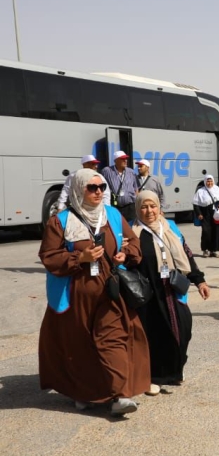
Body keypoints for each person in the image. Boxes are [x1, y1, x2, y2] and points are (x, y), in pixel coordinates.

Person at [38, 168, 149, 416]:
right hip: (75, 293)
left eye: (102, 187)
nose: (98, 192)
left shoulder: (112, 215)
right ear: (79, 189)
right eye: (92, 188)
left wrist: (125, 254)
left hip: (110, 290)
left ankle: (121, 394)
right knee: (80, 344)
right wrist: (80, 258)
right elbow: (49, 256)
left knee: (114, 338)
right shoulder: (60, 221)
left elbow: (133, 242)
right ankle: (85, 393)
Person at [132, 191, 210, 390]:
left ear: (159, 207)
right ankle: (154, 377)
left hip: (172, 289)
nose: (149, 211)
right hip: (148, 293)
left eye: (153, 206)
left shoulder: (170, 227)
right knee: (154, 333)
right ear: (138, 209)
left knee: (182, 330)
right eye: (144, 207)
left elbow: (187, 253)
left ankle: (175, 371)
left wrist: (199, 281)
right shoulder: (132, 232)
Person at [192, 175, 219, 258]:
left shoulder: (217, 189)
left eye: (211, 181)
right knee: (206, 232)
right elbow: (196, 204)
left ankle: (214, 250)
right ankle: (205, 250)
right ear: (205, 182)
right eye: (208, 181)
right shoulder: (200, 191)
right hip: (206, 214)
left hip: (217, 213)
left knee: (217, 232)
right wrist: (199, 214)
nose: (210, 183)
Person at [101, 150, 140, 222]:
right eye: (122, 159)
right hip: (115, 206)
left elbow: (136, 189)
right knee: (116, 225)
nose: (125, 161)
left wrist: (136, 203)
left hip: (130, 207)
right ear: (115, 160)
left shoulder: (131, 172)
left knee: (130, 226)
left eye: (126, 159)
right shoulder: (107, 171)